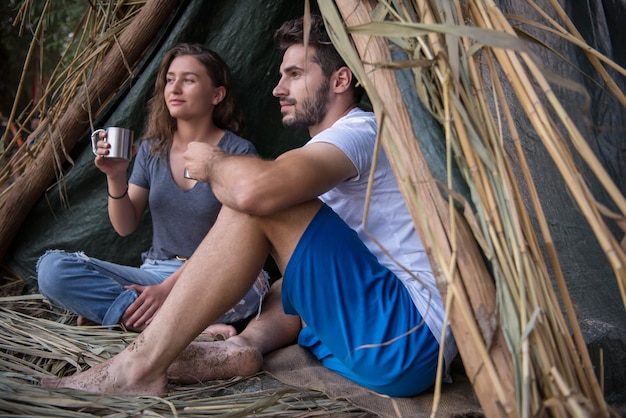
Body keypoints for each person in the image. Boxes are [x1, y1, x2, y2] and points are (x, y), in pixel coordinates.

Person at [42, 15, 457, 397]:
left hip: (407, 335)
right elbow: (300, 279)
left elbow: (253, 194)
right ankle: (238, 345)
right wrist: (248, 340)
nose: (279, 88)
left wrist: (216, 162)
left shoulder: (359, 130)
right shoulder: (326, 156)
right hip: (379, 347)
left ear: (340, 80)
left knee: (258, 200)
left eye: (294, 74)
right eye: (280, 76)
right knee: (285, 264)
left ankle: (138, 368)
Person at [36, 43, 269, 335]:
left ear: (217, 95)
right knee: (52, 270)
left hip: (217, 276)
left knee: (253, 288)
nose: (174, 88)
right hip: (155, 271)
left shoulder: (238, 153)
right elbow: (125, 225)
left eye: (189, 79)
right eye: (170, 79)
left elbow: (231, 244)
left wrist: (165, 291)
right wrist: (115, 175)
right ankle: (179, 327)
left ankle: (126, 317)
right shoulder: (152, 150)